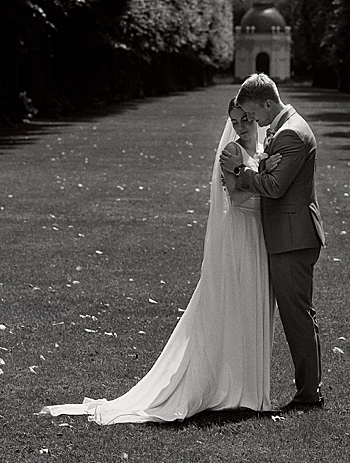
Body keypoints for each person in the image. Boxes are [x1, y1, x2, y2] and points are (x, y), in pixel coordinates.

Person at [39, 98, 281, 424]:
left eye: (246, 120)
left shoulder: (265, 147)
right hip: (241, 233)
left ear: (255, 118)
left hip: (259, 234)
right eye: (235, 121)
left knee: (252, 304)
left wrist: (266, 172)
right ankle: (230, 385)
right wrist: (265, 178)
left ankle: (249, 385)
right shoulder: (231, 154)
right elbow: (237, 198)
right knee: (234, 303)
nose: (241, 126)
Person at [220, 73, 327, 412]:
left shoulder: (291, 134)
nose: (254, 122)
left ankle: (309, 394)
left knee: (297, 317)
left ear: (268, 104)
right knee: (297, 316)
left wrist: (241, 171)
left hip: (292, 239)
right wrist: (264, 163)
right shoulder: (287, 129)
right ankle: (308, 390)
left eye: (254, 114)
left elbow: (275, 188)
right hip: (290, 236)